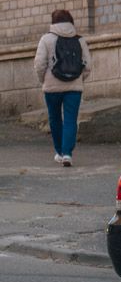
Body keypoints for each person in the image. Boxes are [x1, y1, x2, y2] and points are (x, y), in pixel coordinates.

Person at [33, 9, 91, 167]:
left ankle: (59, 151)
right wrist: (78, 80)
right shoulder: (80, 40)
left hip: (52, 88)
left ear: (53, 22)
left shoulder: (46, 39)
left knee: (55, 119)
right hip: (74, 88)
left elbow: (39, 64)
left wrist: (43, 80)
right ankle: (67, 154)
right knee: (71, 119)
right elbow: (88, 65)